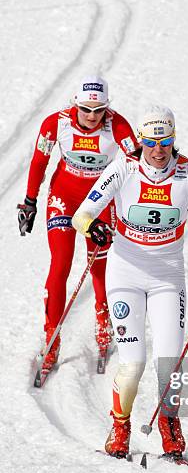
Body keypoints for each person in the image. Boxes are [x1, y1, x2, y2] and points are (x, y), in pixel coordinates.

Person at [72, 104, 188, 460]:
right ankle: (120, 426)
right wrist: (93, 226)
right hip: (125, 273)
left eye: (165, 141)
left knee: (170, 361)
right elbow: (82, 214)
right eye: (151, 141)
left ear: (173, 139)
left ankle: (169, 423)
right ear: (140, 140)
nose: (158, 149)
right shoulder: (123, 168)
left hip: (168, 277)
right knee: (132, 362)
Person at [17, 75, 138, 372]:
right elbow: (38, 162)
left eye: (99, 111)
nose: (92, 117)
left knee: (99, 265)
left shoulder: (118, 125)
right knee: (60, 264)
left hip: (99, 200)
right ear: (75, 104)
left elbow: (137, 165)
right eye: (86, 110)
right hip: (64, 197)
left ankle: (103, 320)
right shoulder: (55, 123)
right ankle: (52, 337)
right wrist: (30, 202)